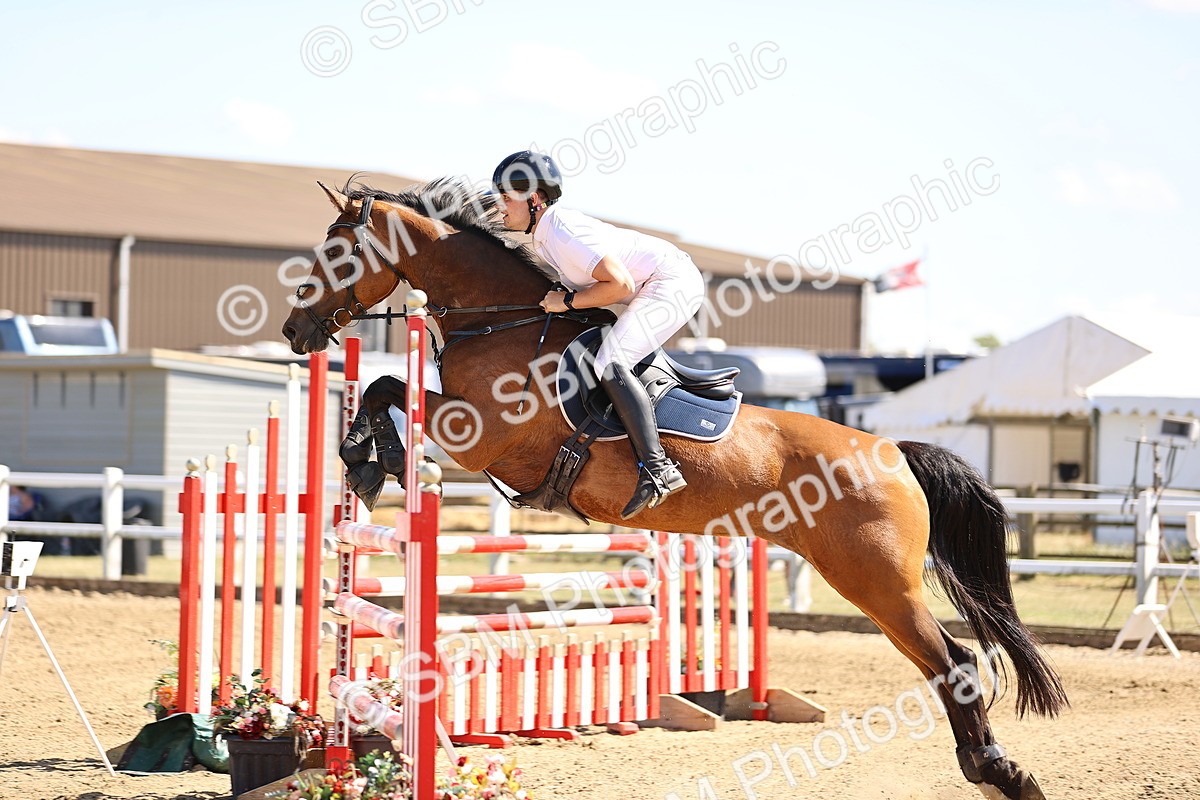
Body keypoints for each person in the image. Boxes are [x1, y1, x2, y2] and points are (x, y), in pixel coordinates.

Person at [492, 151, 705, 519]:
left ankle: (658, 469)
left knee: (610, 360)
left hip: (670, 283)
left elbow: (618, 284)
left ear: (535, 199)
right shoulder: (545, 235)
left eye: (507, 198)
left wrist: (567, 301)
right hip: (653, 284)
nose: (500, 207)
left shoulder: (561, 230)